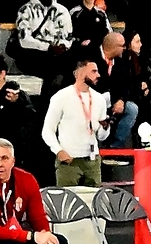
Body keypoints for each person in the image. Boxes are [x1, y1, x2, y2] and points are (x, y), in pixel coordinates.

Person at [42, 57, 111, 187]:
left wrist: (105, 127)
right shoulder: (61, 97)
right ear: (80, 74)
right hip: (69, 160)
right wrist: (58, 151)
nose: (98, 75)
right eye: (94, 71)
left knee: (93, 197)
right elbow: (47, 130)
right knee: (68, 198)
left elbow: (101, 136)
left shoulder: (99, 99)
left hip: (92, 160)